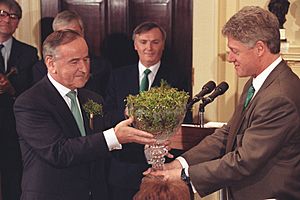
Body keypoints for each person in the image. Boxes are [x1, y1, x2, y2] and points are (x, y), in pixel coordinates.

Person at [147, 6, 300, 200]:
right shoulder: (257, 82)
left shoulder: (279, 97)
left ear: (260, 48)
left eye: (235, 51)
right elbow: (228, 133)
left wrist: (184, 176)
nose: (230, 58)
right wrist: (181, 163)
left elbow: (244, 160)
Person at [13, 30, 156, 200]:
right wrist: (114, 137)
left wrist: (151, 147)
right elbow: (59, 152)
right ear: (51, 64)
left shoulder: (92, 99)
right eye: (74, 61)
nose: (84, 68)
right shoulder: (30, 102)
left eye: (86, 59)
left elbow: (103, 146)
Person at [104, 21, 190, 200]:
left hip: (163, 172)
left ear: (163, 45)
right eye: (143, 42)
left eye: (155, 42)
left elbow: (185, 118)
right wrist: (126, 113)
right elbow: (106, 116)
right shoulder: (117, 76)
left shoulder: (177, 76)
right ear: (135, 45)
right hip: (124, 169)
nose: (149, 48)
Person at [0, 0, 38, 199]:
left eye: (13, 16)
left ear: (18, 23)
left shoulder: (29, 53)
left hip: (13, 130)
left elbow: (34, 94)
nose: (7, 19)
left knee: (13, 182)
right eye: (2, 13)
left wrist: (11, 89)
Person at [32, 10, 111, 98]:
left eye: (74, 33)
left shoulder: (102, 66)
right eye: (62, 35)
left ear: (82, 32)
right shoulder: (41, 68)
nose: (69, 39)